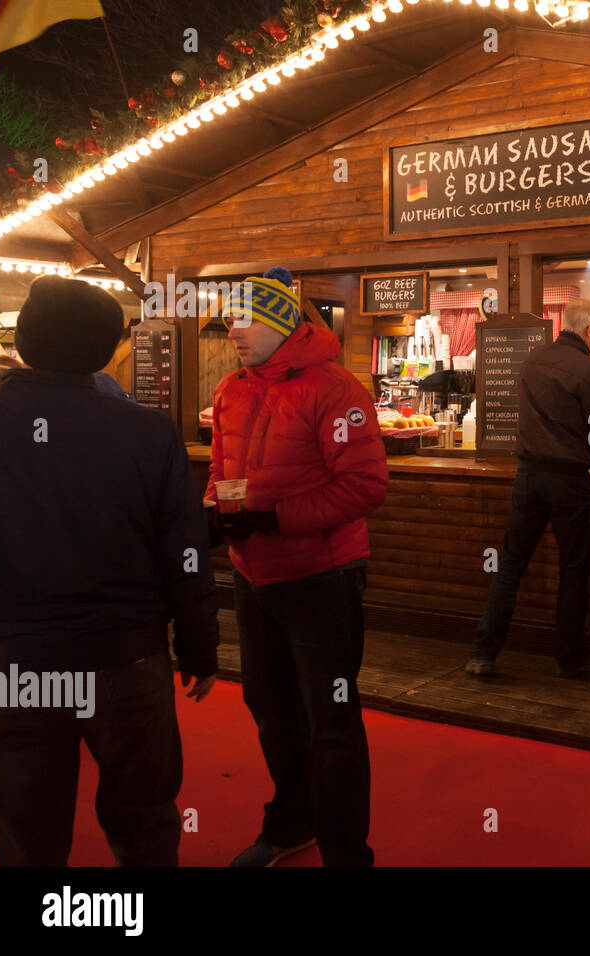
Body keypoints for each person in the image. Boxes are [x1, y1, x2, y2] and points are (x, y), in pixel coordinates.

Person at [0, 276, 218, 866]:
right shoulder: (147, 432)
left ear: (24, 341)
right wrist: (199, 648)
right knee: (144, 826)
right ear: (103, 350)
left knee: (24, 833)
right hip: (126, 660)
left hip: (15, 664)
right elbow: (185, 553)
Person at [208, 266, 388, 867]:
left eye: (245, 317)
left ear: (282, 322)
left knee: (331, 721)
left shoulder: (336, 388)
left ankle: (345, 854)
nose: (232, 329)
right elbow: (220, 469)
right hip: (253, 576)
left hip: (322, 577)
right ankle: (291, 824)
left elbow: (365, 486)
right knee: (270, 709)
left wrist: (274, 518)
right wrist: (217, 512)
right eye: (229, 317)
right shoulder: (231, 387)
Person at [466, 299, 590, 678]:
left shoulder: (532, 361)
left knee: (511, 565)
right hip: (569, 480)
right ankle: (569, 657)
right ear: (588, 331)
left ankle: (484, 653)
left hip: (529, 474)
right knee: (573, 568)